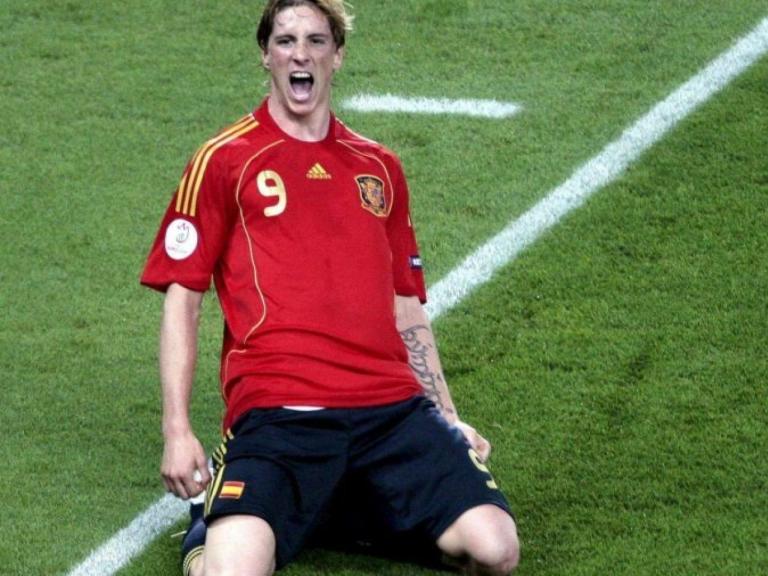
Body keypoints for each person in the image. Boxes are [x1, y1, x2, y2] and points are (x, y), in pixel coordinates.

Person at [140, 1, 519, 574]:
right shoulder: (223, 160)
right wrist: (177, 430)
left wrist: (445, 414)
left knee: (496, 550)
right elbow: (183, 301)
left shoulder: (379, 166)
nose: (301, 54)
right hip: (279, 410)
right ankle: (211, 520)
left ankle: (323, 506)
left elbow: (406, 303)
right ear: (265, 55)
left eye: (317, 41)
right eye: (287, 40)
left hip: (390, 411)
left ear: (337, 56)